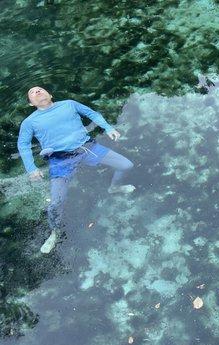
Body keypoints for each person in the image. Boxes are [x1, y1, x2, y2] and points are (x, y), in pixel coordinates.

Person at [17, 87, 135, 254]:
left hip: (87, 148)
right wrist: (31, 168)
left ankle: (114, 187)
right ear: (31, 103)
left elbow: (92, 114)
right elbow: (23, 145)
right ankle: (54, 232)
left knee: (126, 165)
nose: (37, 91)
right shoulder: (29, 122)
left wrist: (108, 128)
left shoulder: (69, 104)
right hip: (60, 160)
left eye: (40, 89)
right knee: (56, 202)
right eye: (32, 92)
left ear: (50, 94)